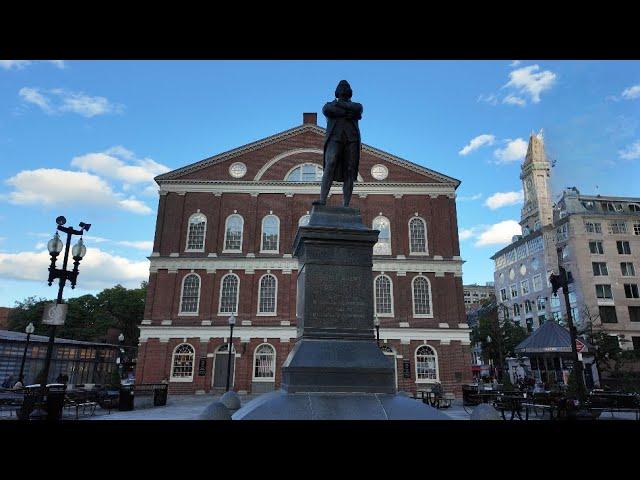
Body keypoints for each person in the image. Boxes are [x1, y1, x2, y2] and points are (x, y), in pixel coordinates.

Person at [314, 80, 363, 208]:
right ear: (336, 92)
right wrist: (348, 113)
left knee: (350, 170)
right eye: (341, 87)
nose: (344, 88)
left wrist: (340, 108)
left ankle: (346, 205)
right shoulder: (329, 105)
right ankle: (322, 199)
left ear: (350, 92)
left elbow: (357, 109)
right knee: (330, 163)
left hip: (352, 140)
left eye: (346, 87)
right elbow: (327, 110)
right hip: (335, 138)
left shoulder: (356, 105)